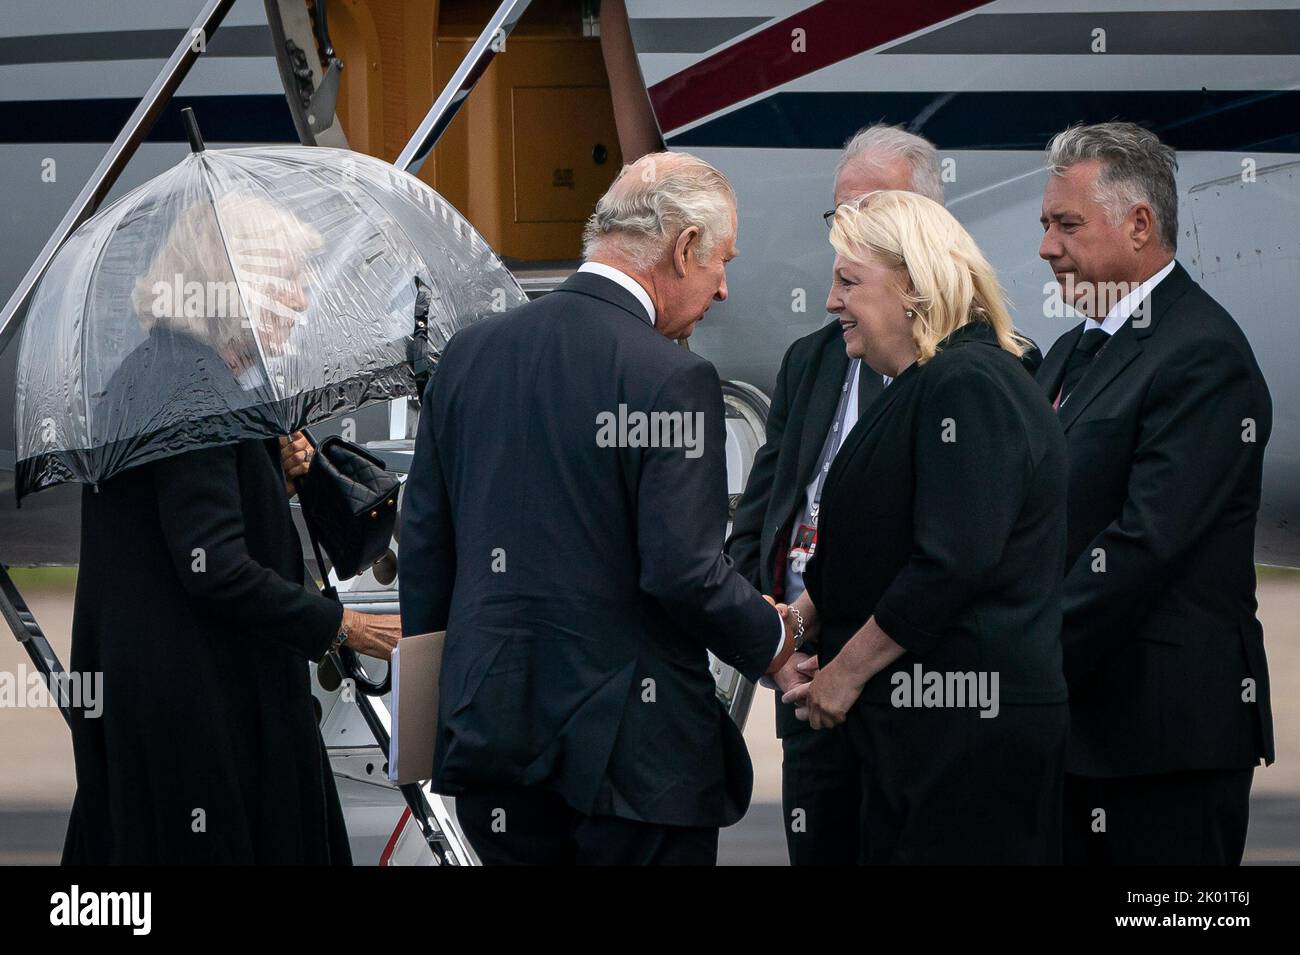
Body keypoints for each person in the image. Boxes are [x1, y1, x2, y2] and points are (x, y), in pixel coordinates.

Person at [399, 152, 797, 866]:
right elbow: (682, 570)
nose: (725, 289)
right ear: (681, 249)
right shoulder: (672, 377)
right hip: (631, 765)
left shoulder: (468, 355)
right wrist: (775, 635)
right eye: (721, 262)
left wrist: (440, 711)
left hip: (493, 741)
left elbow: (426, 547)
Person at [727, 123, 1043, 865]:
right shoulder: (844, 368)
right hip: (832, 695)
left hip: (938, 713)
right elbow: (777, 518)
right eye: (839, 222)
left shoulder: (969, 382)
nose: (832, 297)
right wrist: (780, 642)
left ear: (914, 264)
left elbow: (949, 560)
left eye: (851, 276)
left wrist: (843, 670)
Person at [61, 193, 400, 865]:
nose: (302, 301)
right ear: (233, 287)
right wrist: (346, 626)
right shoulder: (197, 387)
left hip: (157, 701)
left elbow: (170, 524)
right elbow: (212, 566)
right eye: (290, 281)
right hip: (204, 715)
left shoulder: (157, 372)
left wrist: (262, 468)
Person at [1035, 122, 1273, 865]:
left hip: (1163, 741)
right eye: (1045, 225)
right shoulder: (1071, 352)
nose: (1047, 247)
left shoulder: (1201, 354)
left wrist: (1023, 651)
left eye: (1066, 224)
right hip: (1083, 733)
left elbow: (1143, 543)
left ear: (1140, 224)